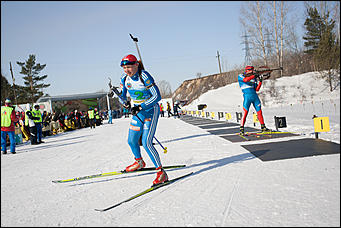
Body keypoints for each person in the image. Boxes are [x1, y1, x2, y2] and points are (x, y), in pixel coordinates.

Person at [119, 54, 168, 186]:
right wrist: (124, 102)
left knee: (146, 142)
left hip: (150, 111)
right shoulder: (125, 79)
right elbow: (122, 96)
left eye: (129, 67)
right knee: (131, 140)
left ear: (136, 65)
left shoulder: (144, 76)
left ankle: (161, 172)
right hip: (137, 112)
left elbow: (157, 96)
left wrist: (141, 106)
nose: (127, 70)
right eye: (124, 68)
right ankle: (139, 161)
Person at [238, 65, 270, 135]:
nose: (252, 71)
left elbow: (257, 89)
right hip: (247, 97)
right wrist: (254, 76)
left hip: (255, 96)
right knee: (245, 112)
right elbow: (245, 80)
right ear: (247, 70)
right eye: (250, 70)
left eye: (252, 70)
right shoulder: (240, 76)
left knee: (259, 112)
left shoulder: (254, 78)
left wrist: (260, 81)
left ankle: (263, 127)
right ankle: (241, 128)